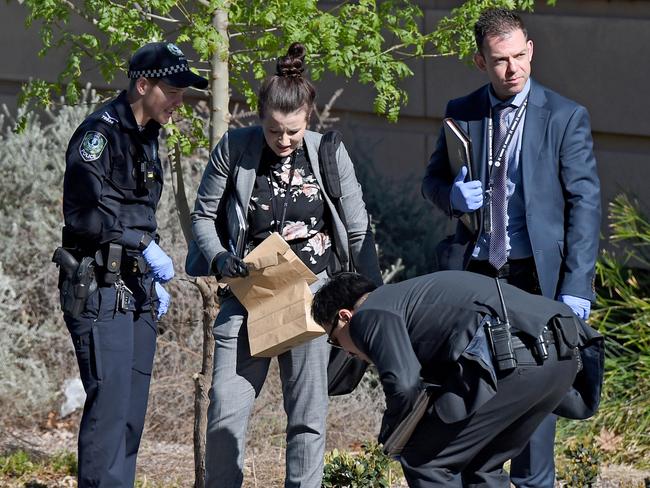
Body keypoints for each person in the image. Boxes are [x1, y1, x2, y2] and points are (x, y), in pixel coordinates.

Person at [421, 8, 601, 487]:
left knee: (537, 391)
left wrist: (577, 286)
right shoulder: (462, 112)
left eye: (520, 55)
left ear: (531, 49)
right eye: (500, 59)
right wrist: (451, 197)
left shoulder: (565, 116)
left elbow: (585, 205)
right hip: (477, 270)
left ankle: (534, 483)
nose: (514, 68)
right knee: (474, 383)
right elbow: (432, 181)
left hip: (536, 274)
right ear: (481, 61)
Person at [190, 42, 382, 488]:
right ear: (260, 118)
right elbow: (202, 216)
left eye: (293, 131)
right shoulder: (235, 149)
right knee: (225, 414)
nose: (284, 140)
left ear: (308, 117)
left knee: (307, 421)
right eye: (275, 130)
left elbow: (358, 229)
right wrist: (220, 256)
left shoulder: (328, 153)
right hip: (248, 297)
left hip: (313, 300)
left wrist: (367, 298)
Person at [58, 42, 207, 487]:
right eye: (174, 91)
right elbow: (83, 215)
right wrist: (142, 244)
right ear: (144, 85)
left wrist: (146, 259)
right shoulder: (98, 135)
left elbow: (137, 207)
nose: (181, 101)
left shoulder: (147, 135)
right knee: (110, 410)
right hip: (100, 285)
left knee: (130, 415)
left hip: (136, 287)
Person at [311, 271, 603, 488]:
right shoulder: (407, 298)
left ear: (345, 316)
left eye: (335, 341)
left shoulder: (370, 314)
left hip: (514, 359)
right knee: (482, 466)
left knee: (425, 461)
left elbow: (404, 383)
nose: (348, 354)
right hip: (562, 356)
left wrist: (393, 436)